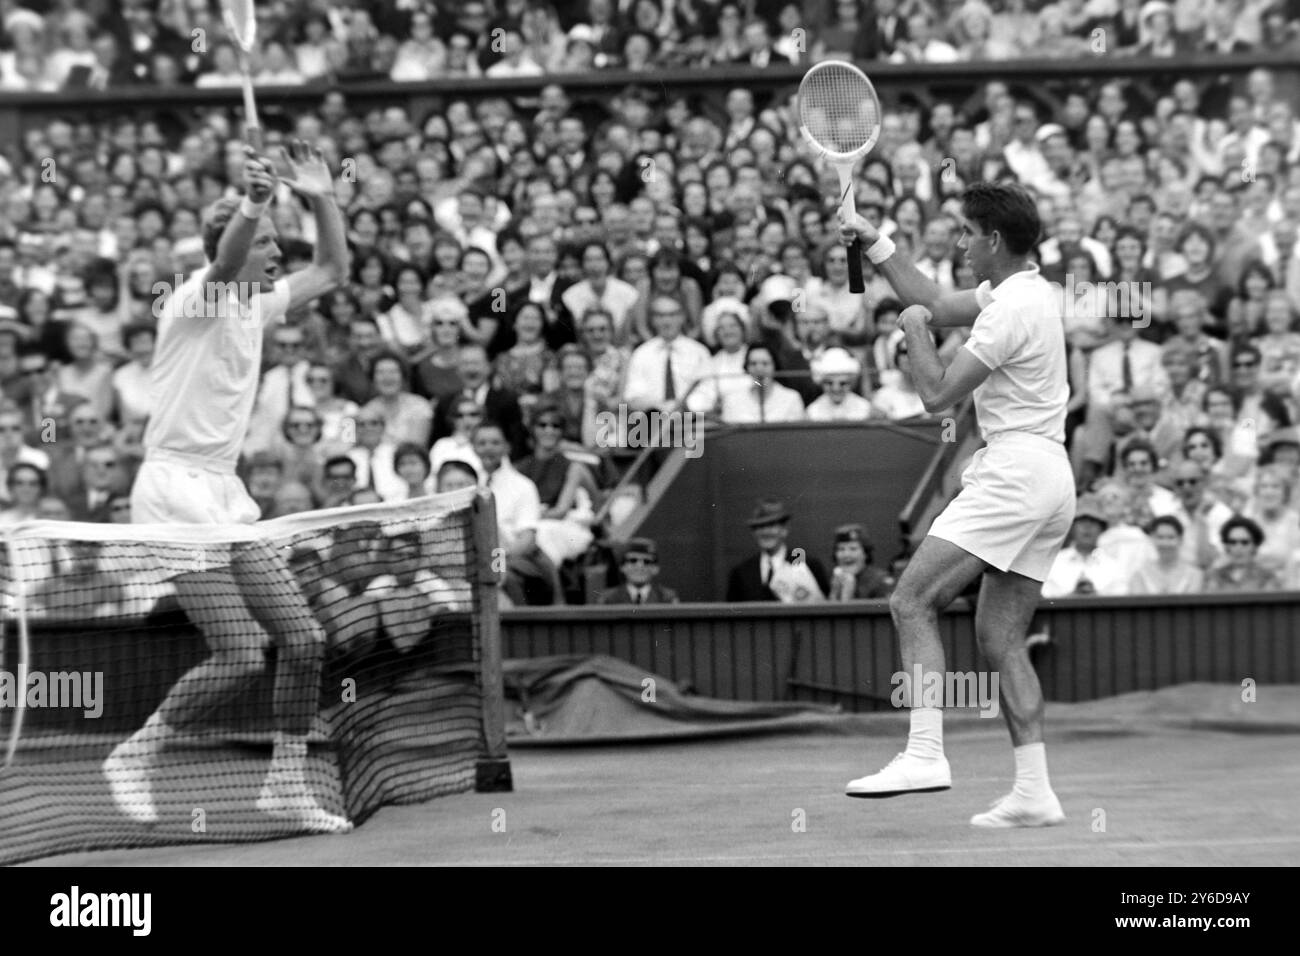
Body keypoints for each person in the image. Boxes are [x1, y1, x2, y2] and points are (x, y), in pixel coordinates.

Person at [103, 140, 353, 834]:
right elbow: (221, 261)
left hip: (223, 489)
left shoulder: (259, 305)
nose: (277, 248)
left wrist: (321, 195)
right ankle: (136, 753)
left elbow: (333, 269)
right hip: (171, 488)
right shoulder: (194, 298)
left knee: (302, 640)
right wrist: (254, 202)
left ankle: (285, 783)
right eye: (266, 239)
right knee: (242, 652)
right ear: (236, 245)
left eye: (276, 237)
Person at [839, 182, 1074, 827]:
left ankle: (924, 752)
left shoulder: (1006, 311)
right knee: (1000, 637)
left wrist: (912, 330)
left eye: (967, 234)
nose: (961, 244)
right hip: (1052, 477)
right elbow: (938, 300)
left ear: (993, 241)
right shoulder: (1029, 291)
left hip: (1014, 474)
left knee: (911, 600)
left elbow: (938, 396)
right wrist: (874, 239)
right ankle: (1034, 792)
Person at [725, 497, 830, 602]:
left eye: (771, 525)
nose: (765, 532)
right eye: (760, 527)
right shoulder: (741, 573)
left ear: (784, 530)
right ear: (754, 533)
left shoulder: (807, 564)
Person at [1129, 515, 1204, 594]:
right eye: (1160, 537)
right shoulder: (1140, 574)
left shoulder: (1194, 575)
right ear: (1152, 539)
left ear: (1180, 540)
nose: (1165, 543)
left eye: (1171, 537)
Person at [1205, 516, 1284, 592]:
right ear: (1227, 546)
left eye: (1245, 542)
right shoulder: (1215, 576)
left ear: (1254, 546)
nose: (1238, 547)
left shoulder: (1267, 577)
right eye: (1233, 542)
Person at [596, 537, 680, 604]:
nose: (639, 566)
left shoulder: (667, 598)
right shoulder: (608, 599)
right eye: (633, 560)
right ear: (622, 566)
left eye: (646, 562)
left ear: (655, 568)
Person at [828, 524, 893, 600]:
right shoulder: (833, 579)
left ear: (865, 554)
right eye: (841, 549)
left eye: (853, 549)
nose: (846, 555)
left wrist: (848, 593)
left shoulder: (879, 581)